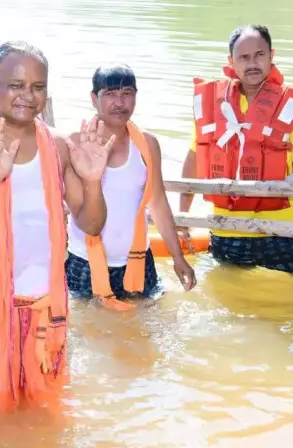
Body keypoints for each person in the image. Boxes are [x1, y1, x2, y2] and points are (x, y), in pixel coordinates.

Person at [0, 41, 113, 411]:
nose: (27, 96)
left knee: (45, 408)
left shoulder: (60, 147)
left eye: (37, 87)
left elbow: (91, 224)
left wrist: (92, 181)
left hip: (43, 306)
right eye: (15, 85)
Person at [179, 24, 293, 276]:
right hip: (226, 229)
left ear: (271, 55)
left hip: (282, 233)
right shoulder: (212, 106)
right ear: (231, 62)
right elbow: (193, 159)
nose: (252, 63)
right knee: (226, 309)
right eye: (243, 57)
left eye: (259, 55)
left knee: (284, 312)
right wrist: (183, 216)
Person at [65, 64, 196, 310]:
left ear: (135, 97)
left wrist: (178, 259)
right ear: (95, 99)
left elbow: (157, 202)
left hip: (138, 260)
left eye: (127, 93)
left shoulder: (147, 144)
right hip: (85, 261)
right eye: (111, 94)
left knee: (144, 334)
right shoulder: (74, 144)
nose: (120, 102)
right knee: (90, 335)